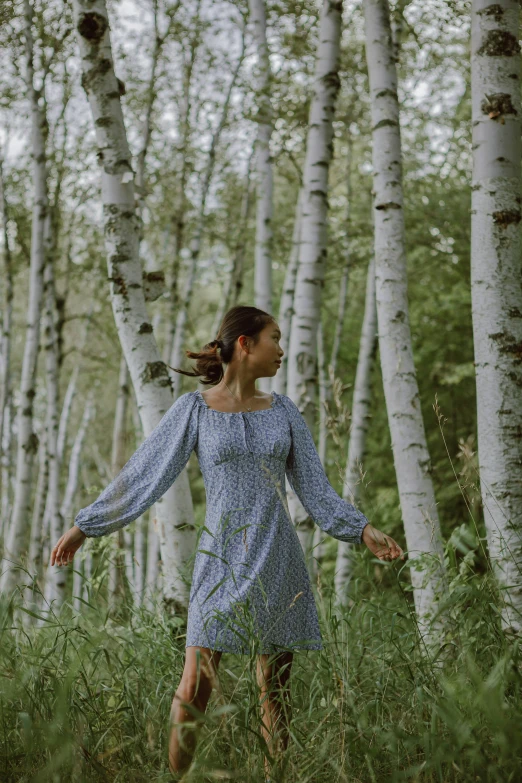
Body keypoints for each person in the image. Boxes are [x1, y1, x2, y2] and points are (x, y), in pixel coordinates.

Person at [51, 305, 404, 781]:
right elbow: (144, 474)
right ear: (245, 344)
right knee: (195, 683)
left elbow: (316, 490)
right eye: (274, 338)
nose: (281, 350)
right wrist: (85, 526)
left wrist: (362, 529)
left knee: (274, 691)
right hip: (220, 562)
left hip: (278, 559)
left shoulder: (284, 412)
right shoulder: (194, 409)